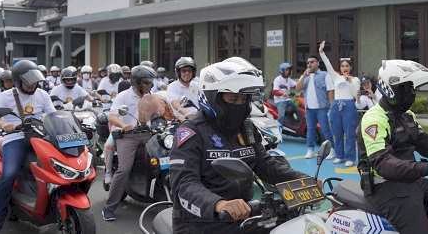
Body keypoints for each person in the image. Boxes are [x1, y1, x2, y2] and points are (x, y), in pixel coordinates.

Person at [169, 57, 308, 233]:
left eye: (244, 99)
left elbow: (264, 163)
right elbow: (184, 184)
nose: (239, 105)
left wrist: (301, 179)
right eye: (233, 99)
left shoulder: (246, 128)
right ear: (213, 97)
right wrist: (219, 204)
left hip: (246, 216)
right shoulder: (191, 132)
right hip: (201, 222)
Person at [359, 59, 428, 234]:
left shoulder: (407, 115)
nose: (411, 93)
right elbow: (384, 164)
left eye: (413, 89)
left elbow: (427, 146)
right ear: (390, 88)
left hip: (412, 180)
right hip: (386, 187)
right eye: (406, 88)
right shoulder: (374, 119)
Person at [0, 60, 55, 233]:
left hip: (40, 136)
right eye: (28, 81)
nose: (32, 85)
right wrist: (4, 124)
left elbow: (53, 115)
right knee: (9, 174)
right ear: (17, 81)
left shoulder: (43, 95)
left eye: (35, 81)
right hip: (15, 137)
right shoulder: (6, 96)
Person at [102, 65, 157, 221]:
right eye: (147, 82)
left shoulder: (151, 96)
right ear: (137, 83)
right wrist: (123, 125)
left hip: (148, 135)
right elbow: (112, 116)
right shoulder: (123, 96)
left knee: (165, 159)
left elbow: (161, 112)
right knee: (124, 169)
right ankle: (109, 207)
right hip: (129, 136)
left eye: (150, 82)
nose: (150, 85)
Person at [319, 41, 359, 166]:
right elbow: (328, 65)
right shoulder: (336, 77)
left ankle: (350, 158)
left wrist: (350, 81)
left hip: (349, 106)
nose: (344, 68)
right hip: (336, 106)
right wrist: (322, 53)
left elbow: (355, 95)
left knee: (349, 133)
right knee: (337, 133)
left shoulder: (355, 79)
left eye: (347, 66)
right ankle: (339, 155)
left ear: (350, 67)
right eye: (342, 66)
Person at [296, 54, 333, 159]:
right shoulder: (305, 76)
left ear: (317, 63)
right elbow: (297, 89)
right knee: (310, 130)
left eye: (312, 62)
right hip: (309, 109)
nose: (309, 64)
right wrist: (303, 76)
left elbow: (330, 91)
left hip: (322, 108)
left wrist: (331, 107)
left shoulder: (325, 75)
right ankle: (310, 150)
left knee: (326, 129)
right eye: (308, 63)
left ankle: (332, 150)